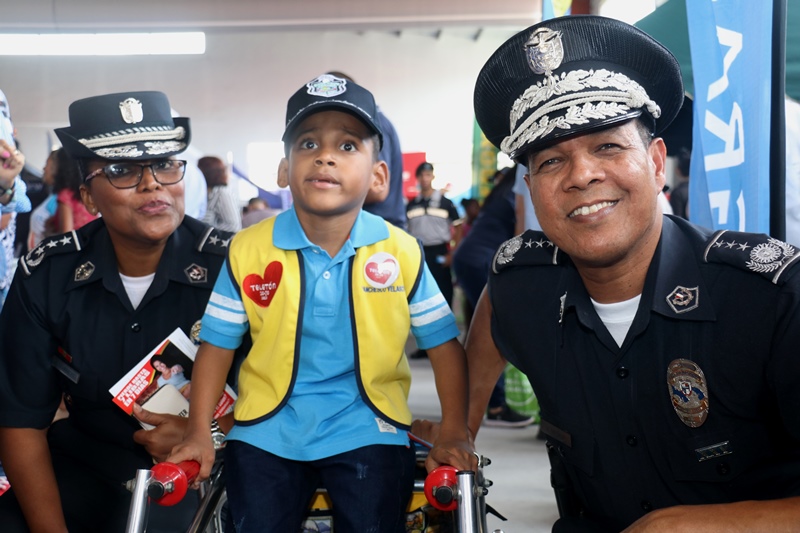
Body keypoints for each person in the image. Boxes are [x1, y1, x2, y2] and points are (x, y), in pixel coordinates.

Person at [456, 15, 800, 532]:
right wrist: (459, 425)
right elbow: (495, 309)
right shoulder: (524, 283)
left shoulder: (770, 298)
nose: (582, 175)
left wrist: (693, 527)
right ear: (530, 190)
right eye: (551, 162)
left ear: (657, 162)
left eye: (608, 147)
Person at [166, 73, 475, 533]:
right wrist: (197, 433)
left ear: (378, 176)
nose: (325, 155)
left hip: (370, 426)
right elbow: (217, 343)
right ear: (283, 170)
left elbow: (443, 345)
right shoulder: (249, 249)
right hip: (266, 429)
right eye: (308, 143)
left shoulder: (400, 251)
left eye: (347, 145)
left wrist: (453, 430)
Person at [0, 90, 240, 533]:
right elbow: (20, 421)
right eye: (122, 170)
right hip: (85, 467)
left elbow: (290, 398)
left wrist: (208, 432)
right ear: (89, 198)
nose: (152, 184)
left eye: (164, 164)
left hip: (207, 471)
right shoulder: (47, 274)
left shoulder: (233, 266)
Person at [452, 166, 534, 429]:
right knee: (494, 333)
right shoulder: (518, 191)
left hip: (469, 259)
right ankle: (495, 406)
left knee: (479, 332)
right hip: (482, 261)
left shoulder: (499, 193)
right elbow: (521, 232)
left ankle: (465, 406)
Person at [327, 71, 407, 230]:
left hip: (379, 229)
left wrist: (329, 195)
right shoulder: (372, 122)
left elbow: (377, 191)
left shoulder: (371, 125)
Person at [53, 146, 99, 232]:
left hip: (78, 240)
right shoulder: (86, 191)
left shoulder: (65, 195)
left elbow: (66, 232)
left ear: (62, 166)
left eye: (55, 163)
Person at [198, 155, 242, 232]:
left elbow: (233, 225)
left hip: (211, 238)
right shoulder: (205, 192)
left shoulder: (222, 193)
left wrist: (205, 233)